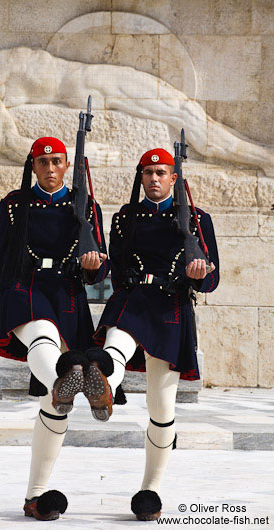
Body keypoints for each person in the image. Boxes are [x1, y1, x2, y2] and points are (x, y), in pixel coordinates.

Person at [0, 136, 111, 521]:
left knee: (53, 407)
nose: (50, 169)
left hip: (67, 293)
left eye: (56, 162)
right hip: (22, 285)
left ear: (67, 166)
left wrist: (91, 265)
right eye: (42, 162)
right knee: (42, 334)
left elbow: (100, 270)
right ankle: (68, 372)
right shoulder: (15, 205)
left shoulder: (86, 206)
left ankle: (36, 497)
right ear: (32, 167)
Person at [93, 147, 220, 521]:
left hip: (170, 307)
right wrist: (94, 265)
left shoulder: (198, 220)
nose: (154, 179)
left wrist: (200, 275)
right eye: (148, 173)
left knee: (161, 409)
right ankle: (103, 384)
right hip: (132, 299)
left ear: (173, 178)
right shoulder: (124, 219)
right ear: (141, 177)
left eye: (161, 173)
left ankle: (150, 490)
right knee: (114, 347)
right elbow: (111, 268)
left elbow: (212, 279)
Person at [0, 50, 274, 175]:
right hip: (90, 84)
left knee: (186, 114)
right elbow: (11, 143)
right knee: (187, 116)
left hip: (91, 79)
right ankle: (262, 159)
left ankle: (261, 157)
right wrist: (77, 154)